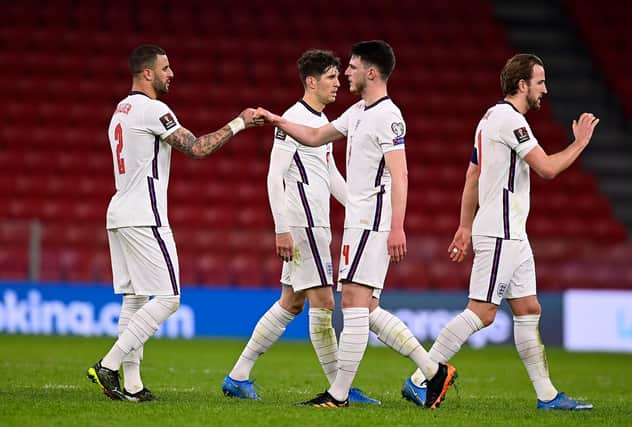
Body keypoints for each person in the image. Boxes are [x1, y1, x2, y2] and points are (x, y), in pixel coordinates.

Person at [256, 40, 456, 409]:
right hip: (357, 222)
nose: (345, 73)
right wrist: (278, 120)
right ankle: (432, 371)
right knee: (368, 307)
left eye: (351, 67)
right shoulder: (358, 112)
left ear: (372, 72)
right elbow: (315, 136)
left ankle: (338, 395)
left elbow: (401, 173)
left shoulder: (388, 115)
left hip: (372, 223)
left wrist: (398, 226)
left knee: (351, 301)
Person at [400, 53, 598, 410]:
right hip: (500, 231)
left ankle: (548, 396)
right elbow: (547, 169)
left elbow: (472, 175)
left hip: (513, 233)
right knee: (482, 311)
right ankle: (420, 378)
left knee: (527, 308)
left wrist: (463, 225)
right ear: (522, 85)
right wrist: (580, 143)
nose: (545, 90)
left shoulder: (488, 118)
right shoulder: (511, 121)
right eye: (540, 82)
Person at [86, 44, 261, 402]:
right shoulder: (153, 110)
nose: (171, 74)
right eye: (165, 68)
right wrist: (240, 122)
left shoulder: (119, 112)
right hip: (144, 215)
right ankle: (109, 364)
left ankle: (131, 384)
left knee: (134, 299)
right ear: (147, 73)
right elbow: (197, 148)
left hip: (119, 212)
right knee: (169, 298)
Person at [222, 49, 379, 405]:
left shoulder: (319, 124)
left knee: (291, 303)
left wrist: (360, 207)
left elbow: (331, 175)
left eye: (339, 76)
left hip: (315, 224)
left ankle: (238, 375)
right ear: (311, 82)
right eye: (331, 77)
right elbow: (274, 175)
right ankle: (341, 387)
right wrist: (282, 228)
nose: (338, 83)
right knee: (323, 303)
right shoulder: (293, 120)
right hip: (302, 225)